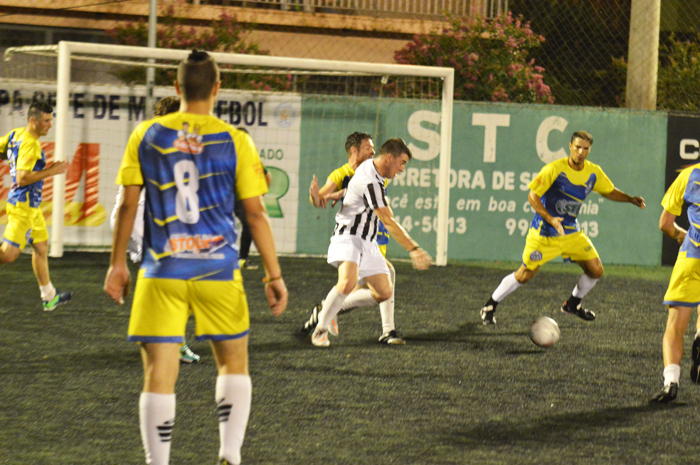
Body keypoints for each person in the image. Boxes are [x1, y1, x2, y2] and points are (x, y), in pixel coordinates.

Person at [104, 50, 288, 465]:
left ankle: (158, 462)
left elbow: (128, 207)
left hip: (161, 270)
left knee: (158, 375)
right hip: (218, 270)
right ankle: (229, 454)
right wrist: (273, 274)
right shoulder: (235, 140)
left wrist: (118, 263)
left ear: (176, 86)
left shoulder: (146, 135)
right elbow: (255, 213)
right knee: (233, 363)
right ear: (218, 88)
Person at [479, 131, 645, 325]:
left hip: (570, 232)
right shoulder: (554, 169)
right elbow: (532, 196)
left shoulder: (593, 171)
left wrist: (630, 199)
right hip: (544, 234)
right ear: (570, 146)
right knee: (525, 275)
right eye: (577, 147)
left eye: (585, 148)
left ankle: (572, 304)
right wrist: (551, 219)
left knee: (596, 270)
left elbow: (608, 191)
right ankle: (490, 305)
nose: (581, 152)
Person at [310, 138, 432, 347]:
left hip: (367, 241)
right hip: (348, 235)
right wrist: (414, 249)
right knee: (348, 282)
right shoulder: (372, 179)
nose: (402, 170)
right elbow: (388, 221)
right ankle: (320, 330)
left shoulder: (371, 167)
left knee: (384, 292)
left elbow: (353, 189)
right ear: (389, 159)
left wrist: (337, 195)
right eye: (401, 163)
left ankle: (332, 308)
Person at [109, 96, 201, 364]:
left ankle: (155, 331)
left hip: (136, 216)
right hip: (141, 217)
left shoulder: (146, 139)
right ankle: (171, 339)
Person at [0, 100, 72, 311]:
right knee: (7, 255)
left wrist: (13, 159)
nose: (50, 124)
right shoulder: (30, 143)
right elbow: (22, 179)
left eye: (51, 120)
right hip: (23, 206)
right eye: (46, 120)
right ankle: (48, 296)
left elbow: (4, 151)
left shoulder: (15, 135)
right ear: (33, 121)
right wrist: (53, 170)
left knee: (41, 247)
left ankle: (49, 296)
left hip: (32, 207)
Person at [649, 163, 700, 403]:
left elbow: (665, 224)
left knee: (675, 325)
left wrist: (683, 236)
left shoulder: (689, 174)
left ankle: (671, 382)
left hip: (691, 256)